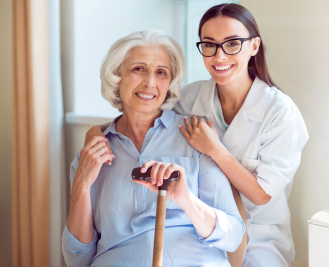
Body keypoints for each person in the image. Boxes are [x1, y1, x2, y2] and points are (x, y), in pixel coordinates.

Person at [85, 4, 309, 267]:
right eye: (209, 45)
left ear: (254, 46)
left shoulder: (280, 112)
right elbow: (141, 112)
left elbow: (261, 195)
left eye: (232, 44)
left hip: (259, 232)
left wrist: (215, 150)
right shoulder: (191, 97)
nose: (219, 56)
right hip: (199, 229)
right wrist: (94, 133)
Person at [62, 29, 246, 267]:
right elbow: (77, 259)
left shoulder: (195, 136)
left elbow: (232, 236)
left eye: (161, 72)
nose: (150, 82)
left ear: (169, 83)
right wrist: (81, 186)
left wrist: (185, 199)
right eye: (138, 69)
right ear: (117, 75)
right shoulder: (92, 153)